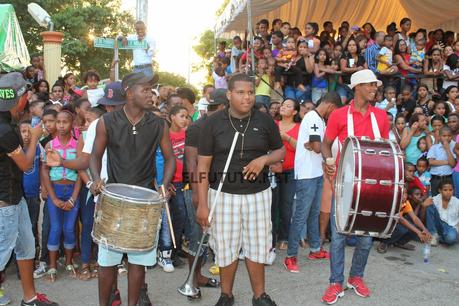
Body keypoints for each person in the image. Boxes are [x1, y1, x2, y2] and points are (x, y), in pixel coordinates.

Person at [196, 73, 285, 306]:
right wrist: (202, 204)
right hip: (223, 195)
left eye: (251, 93)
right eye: (241, 92)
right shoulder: (212, 123)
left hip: (259, 194)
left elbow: (280, 152)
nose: (247, 97)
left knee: (258, 245)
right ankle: (226, 295)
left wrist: (263, 160)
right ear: (229, 94)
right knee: (226, 247)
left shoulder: (265, 121)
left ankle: (259, 296)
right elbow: (202, 165)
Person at [89, 72, 175, 306]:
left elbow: (170, 160)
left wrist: (164, 186)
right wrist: (96, 179)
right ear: (129, 93)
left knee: (138, 262)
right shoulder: (107, 122)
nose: (152, 94)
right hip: (114, 200)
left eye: (152, 89)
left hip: (145, 201)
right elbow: (94, 157)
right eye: (145, 89)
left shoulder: (158, 124)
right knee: (107, 262)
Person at [321, 69, 390, 304]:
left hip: (371, 187)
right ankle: (335, 282)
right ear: (357, 87)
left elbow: (385, 153)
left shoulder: (381, 117)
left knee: (366, 237)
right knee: (339, 236)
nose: (374, 89)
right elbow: (326, 144)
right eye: (370, 85)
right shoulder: (338, 115)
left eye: (375, 86)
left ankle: (356, 277)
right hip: (343, 184)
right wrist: (328, 161)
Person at [0, 72, 58, 306]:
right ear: (21, 98)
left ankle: (30, 298)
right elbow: (25, 165)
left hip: (16, 198)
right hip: (5, 202)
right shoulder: (4, 129)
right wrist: (34, 137)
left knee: (26, 247)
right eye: (27, 93)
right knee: (2, 252)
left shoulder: (9, 124)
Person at [284, 92, 342, 273]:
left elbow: (316, 146)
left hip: (316, 172)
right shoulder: (313, 118)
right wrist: (314, 145)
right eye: (334, 111)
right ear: (331, 106)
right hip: (307, 174)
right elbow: (318, 147)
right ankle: (290, 256)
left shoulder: (319, 120)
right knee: (301, 215)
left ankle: (315, 249)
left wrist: (314, 145)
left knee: (313, 213)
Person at [184, 89, 226, 300]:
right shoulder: (197, 127)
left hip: (219, 188)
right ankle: (192, 279)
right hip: (200, 188)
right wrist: (197, 193)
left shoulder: (222, 124)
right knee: (197, 236)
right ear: (220, 107)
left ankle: (199, 276)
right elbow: (192, 162)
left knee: (209, 236)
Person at [41, 106, 82, 282]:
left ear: (72, 124)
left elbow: (81, 171)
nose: (61, 125)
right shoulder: (50, 145)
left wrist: (73, 197)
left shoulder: (77, 144)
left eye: (65, 122)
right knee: (55, 227)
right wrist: (53, 197)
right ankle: (51, 266)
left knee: (69, 228)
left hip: (72, 190)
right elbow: (45, 171)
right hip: (55, 190)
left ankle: (69, 261)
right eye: (58, 122)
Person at [274, 99, 301, 251]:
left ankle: (284, 237)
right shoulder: (273, 124)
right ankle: (271, 237)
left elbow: (302, 148)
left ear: (295, 112)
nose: (283, 107)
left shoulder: (299, 127)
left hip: (290, 171)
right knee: (271, 204)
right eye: (283, 105)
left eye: (288, 106)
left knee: (286, 205)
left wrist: (287, 138)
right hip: (271, 170)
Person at [376, 187, 431, 253]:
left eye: (405, 193)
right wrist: (418, 232)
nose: (404, 196)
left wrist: (424, 229)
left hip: (395, 224)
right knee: (402, 229)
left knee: (416, 227)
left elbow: (414, 218)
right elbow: (400, 219)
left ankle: (399, 243)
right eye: (402, 193)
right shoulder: (393, 202)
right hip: (384, 225)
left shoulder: (406, 203)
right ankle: (385, 242)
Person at [423, 180, 459, 246]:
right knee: (429, 205)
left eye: (450, 190)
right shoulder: (435, 199)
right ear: (440, 190)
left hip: (450, 227)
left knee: (451, 239)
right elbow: (427, 215)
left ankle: (438, 237)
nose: (448, 192)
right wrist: (424, 206)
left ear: (453, 191)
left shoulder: (457, 202)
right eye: (445, 190)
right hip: (438, 224)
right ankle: (433, 234)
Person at [427, 126, 456, 196]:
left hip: (448, 178)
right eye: (444, 136)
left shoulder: (453, 147)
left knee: (449, 200)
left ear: (452, 137)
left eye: (449, 136)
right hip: (436, 179)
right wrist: (447, 162)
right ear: (439, 137)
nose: (447, 138)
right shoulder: (434, 148)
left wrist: (447, 149)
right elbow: (431, 162)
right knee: (436, 201)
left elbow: (452, 164)